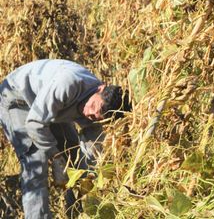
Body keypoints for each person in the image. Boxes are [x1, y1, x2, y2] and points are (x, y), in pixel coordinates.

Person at [0, 59, 130, 219]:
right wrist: (55, 157)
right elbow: (34, 123)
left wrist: (89, 178)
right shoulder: (68, 83)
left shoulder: (97, 114)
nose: (92, 115)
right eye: (96, 108)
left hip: (48, 107)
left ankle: (75, 213)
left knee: (72, 152)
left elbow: (91, 153)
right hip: (17, 99)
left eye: (98, 117)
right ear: (100, 88)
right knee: (36, 161)